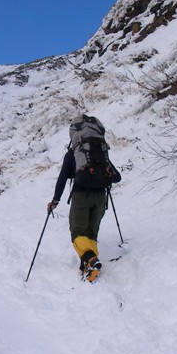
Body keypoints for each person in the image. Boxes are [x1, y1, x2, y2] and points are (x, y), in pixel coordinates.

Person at [47, 114, 121, 282]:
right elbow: (117, 178)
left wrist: (55, 200)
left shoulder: (74, 153)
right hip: (101, 198)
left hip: (81, 196)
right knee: (91, 233)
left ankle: (90, 260)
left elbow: (62, 178)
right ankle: (88, 264)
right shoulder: (101, 152)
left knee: (78, 234)